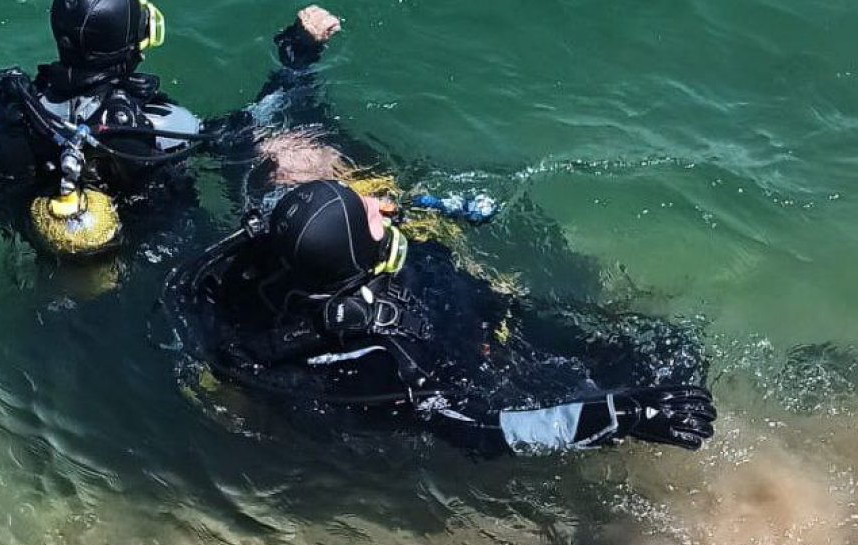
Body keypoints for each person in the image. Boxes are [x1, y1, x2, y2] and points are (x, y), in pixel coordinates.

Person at [162, 180, 717, 454]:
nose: (377, 205)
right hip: (483, 368)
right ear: (355, 255)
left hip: (463, 319)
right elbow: (483, 431)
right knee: (667, 356)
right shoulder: (391, 353)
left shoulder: (267, 263)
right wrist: (623, 415)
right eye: (367, 215)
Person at [0, 1, 344, 259]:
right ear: (133, 46)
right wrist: (299, 49)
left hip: (32, 228)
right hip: (155, 240)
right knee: (293, 151)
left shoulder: (8, 104)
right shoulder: (164, 125)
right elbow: (261, 116)